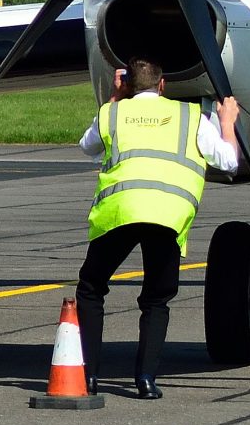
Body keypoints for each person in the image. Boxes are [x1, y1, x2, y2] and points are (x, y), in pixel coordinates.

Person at [74, 57, 239, 400]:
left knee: (91, 288)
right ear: (163, 85)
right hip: (167, 215)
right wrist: (227, 123)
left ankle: (88, 377)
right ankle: (146, 379)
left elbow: (87, 146)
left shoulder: (113, 113)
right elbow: (228, 161)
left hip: (121, 211)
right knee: (156, 299)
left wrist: (115, 99)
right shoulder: (190, 117)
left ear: (127, 84)